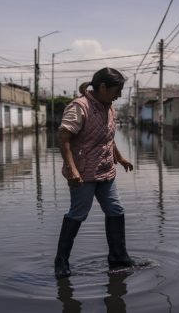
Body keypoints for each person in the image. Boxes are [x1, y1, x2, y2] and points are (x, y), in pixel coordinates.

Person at [54, 67, 135, 279]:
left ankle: (118, 258)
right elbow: (63, 138)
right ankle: (61, 262)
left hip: (106, 170)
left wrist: (120, 157)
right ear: (102, 87)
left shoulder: (109, 108)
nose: (117, 96)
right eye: (115, 91)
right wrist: (71, 170)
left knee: (116, 210)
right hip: (83, 173)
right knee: (78, 213)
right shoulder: (79, 107)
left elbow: (107, 138)